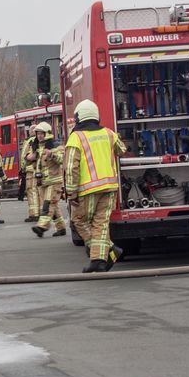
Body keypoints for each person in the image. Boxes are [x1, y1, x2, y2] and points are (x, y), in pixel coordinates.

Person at [64, 100, 127, 273]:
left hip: (87, 190)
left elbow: (70, 169)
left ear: (79, 116)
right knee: (100, 224)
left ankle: (109, 251)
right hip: (109, 188)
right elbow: (122, 149)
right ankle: (99, 260)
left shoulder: (76, 138)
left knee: (79, 220)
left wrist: (71, 193)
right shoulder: (109, 133)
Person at [31, 129, 67, 238]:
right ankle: (61, 228)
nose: (39, 136)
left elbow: (62, 160)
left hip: (54, 181)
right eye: (38, 134)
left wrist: (51, 154)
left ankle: (42, 226)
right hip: (42, 182)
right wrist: (28, 158)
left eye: (42, 133)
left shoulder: (56, 146)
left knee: (48, 204)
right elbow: (34, 164)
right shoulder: (36, 147)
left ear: (47, 133)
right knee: (53, 206)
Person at [20, 124, 46, 222]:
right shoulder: (43, 141)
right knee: (41, 192)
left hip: (31, 171)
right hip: (41, 170)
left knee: (32, 192)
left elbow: (24, 156)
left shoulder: (28, 141)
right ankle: (43, 213)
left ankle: (34, 214)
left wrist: (23, 169)